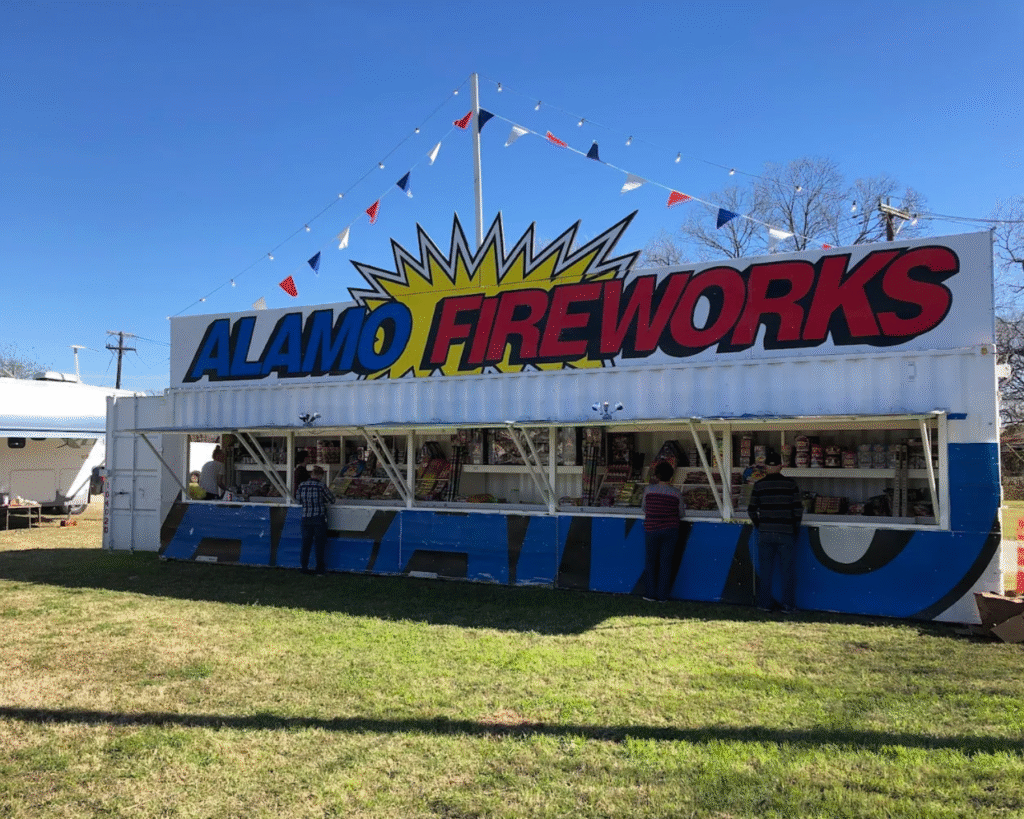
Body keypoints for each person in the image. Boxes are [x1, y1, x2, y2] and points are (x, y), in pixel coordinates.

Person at [747, 450, 803, 613]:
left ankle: (764, 604)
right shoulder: (791, 484)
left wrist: (760, 525)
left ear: (764, 467)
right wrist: (794, 528)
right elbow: (798, 510)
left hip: (765, 533)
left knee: (766, 571)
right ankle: (788, 605)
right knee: (787, 571)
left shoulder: (759, 485)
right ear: (781, 466)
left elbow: (751, 510)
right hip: (786, 532)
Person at [641, 460, 686, 601]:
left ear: (656, 475)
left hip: (651, 529)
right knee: (666, 563)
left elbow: (644, 508)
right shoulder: (676, 493)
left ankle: (650, 594)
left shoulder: (648, 490)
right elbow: (682, 513)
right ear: (671, 476)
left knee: (651, 562)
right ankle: (663, 596)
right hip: (670, 530)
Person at [297, 465, 335, 575]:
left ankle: (304, 567)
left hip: (306, 517)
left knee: (306, 543)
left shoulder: (302, 485)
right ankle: (319, 569)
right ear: (319, 475)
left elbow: (299, 500)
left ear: (311, 474)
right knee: (319, 544)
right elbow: (331, 500)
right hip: (319, 517)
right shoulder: (321, 486)